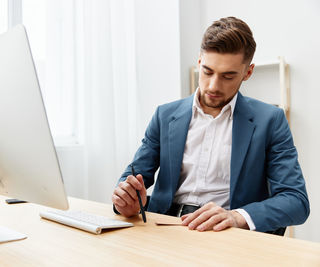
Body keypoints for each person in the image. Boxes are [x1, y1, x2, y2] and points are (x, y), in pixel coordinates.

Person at [111, 16, 309, 234]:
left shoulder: (270, 120)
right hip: (164, 229)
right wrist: (126, 201)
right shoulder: (165, 115)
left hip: (225, 234)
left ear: (248, 72)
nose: (213, 86)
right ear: (199, 62)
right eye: (207, 71)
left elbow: (296, 201)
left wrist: (236, 217)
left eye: (228, 76)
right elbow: (132, 179)